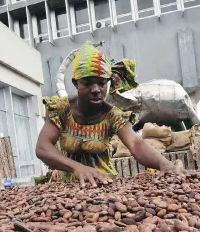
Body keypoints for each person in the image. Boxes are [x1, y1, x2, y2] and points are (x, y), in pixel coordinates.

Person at [35, 42, 179, 187]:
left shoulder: (112, 116)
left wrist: (163, 163)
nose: (96, 89)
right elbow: (43, 147)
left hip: (103, 184)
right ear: (75, 83)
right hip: (66, 187)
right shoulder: (61, 109)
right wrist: (76, 167)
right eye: (87, 84)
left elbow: (135, 143)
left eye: (101, 83)